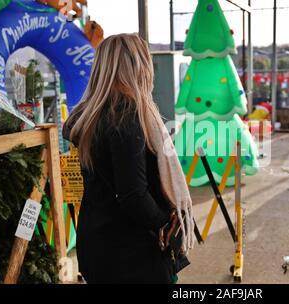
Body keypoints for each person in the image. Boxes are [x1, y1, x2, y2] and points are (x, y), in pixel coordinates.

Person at [62, 33, 194, 284]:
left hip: (97, 242)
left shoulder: (89, 117)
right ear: (138, 66)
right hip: (131, 255)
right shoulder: (125, 115)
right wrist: (167, 225)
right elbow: (133, 195)